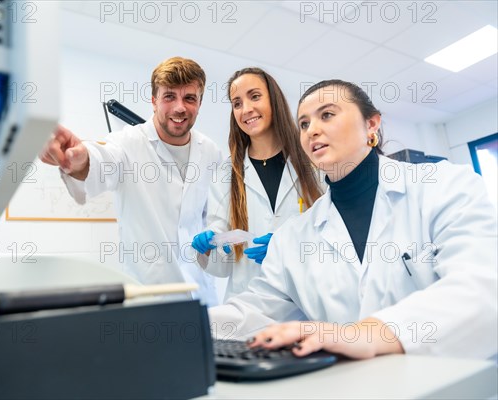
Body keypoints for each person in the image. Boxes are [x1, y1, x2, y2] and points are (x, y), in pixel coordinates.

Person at [209, 79, 497, 360]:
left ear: (371, 124)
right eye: (304, 124)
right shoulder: (293, 236)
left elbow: (481, 290)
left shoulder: (446, 186)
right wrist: (183, 325)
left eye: (327, 115)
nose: (312, 131)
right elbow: (255, 311)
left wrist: (366, 334)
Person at [40, 57, 222, 305]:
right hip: (149, 297)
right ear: (154, 100)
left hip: (202, 294)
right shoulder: (128, 143)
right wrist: (78, 160)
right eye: (169, 97)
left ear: (199, 103)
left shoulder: (210, 151)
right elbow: (102, 159)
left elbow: (215, 216)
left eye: (189, 98)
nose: (180, 107)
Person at [191, 67, 322, 302]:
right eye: (237, 103)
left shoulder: (312, 163)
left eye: (255, 96)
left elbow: (334, 234)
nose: (246, 109)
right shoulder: (226, 172)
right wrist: (211, 245)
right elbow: (223, 267)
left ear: (274, 100)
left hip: (306, 302)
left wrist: (289, 247)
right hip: (249, 305)